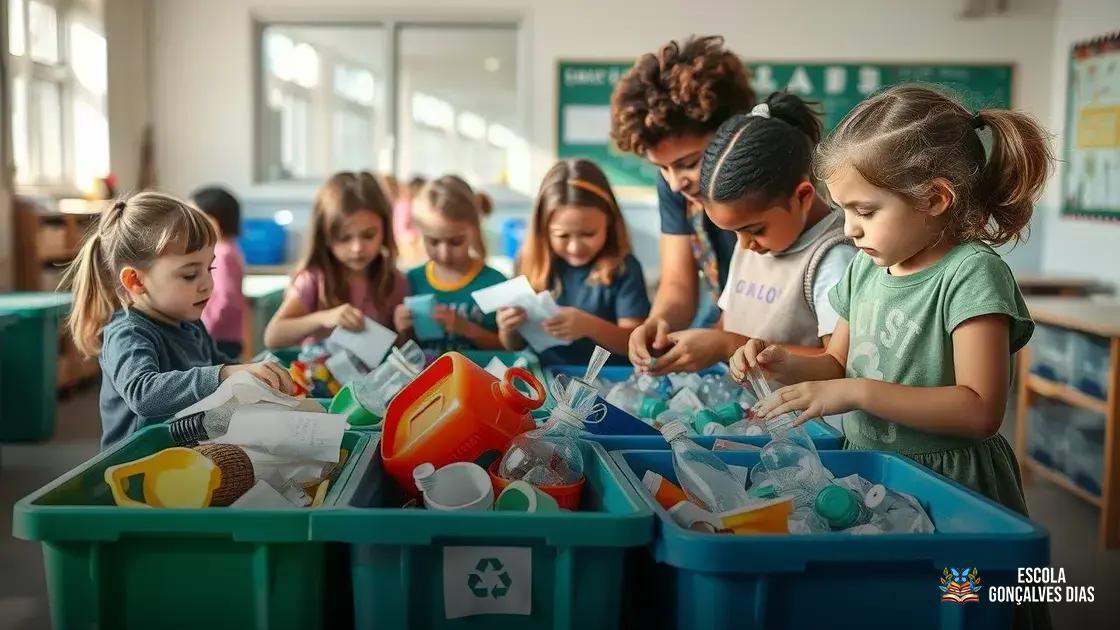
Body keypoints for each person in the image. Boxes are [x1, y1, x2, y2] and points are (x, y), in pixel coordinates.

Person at [734, 85, 1054, 519]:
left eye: (865, 212)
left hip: (952, 486)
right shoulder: (865, 269)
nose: (849, 230)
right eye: (844, 211)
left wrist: (858, 393)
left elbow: (980, 410)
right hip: (873, 475)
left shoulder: (972, 274)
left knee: (955, 589)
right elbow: (836, 364)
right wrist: (783, 363)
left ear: (935, 199)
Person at [61, 193, 294, 449]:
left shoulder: (191, 324)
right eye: (190, 274)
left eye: (210, 269)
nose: (207, 284)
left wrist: (255, 374)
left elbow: (219, 365)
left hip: (189, 453)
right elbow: (143, 394)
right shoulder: (127, 333)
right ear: (136, 281)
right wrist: (226, 373)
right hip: (139, 468)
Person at [610, 35, 756, 375]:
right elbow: (678, 286)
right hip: (725, 323)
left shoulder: (770, 186)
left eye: (689, 163)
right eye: (663, 168)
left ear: (732, 132)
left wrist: (719, 338)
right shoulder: (674, 186)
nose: (676, 183)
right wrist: (657, 322)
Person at [679, 92, 855, 368]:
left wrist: (728, 346)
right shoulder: (751, 241)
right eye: (735, 232)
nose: (745, 245)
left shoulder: (833, 259)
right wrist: (681, 345)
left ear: (802, 196)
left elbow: (837, 364)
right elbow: (727, 326)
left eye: (755, 229)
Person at [497, 159, 651, 364]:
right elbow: (513, 345)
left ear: (610, 223)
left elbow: (636, 343)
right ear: (543, 231)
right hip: (544, 379)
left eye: (588, 234)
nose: (575, 247)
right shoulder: (528, 264)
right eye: (562, 236)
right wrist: (507, 328)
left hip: (609, 382)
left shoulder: (623, 268)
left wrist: (589, 326)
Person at [264, 171, 408, 348]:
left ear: (385, 230)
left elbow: (401, 351)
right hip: (317, 374)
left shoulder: (394, 282)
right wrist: (324, 318)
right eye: (344, 238)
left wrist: (405, 331)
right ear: (325, 236)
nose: (357, 248)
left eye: (368, 235)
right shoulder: (314, 279)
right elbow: (273, 336)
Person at [394, 175, 506, 351]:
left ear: (475, 229)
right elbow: (404, 351)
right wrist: (403, 330)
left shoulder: (495, 283)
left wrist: (467, 329)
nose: (444, 254)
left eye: (456, 242)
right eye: (433, 241)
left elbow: (509, 348)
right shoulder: (411, 280)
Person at [192, 185, 246, 359]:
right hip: (226, 335)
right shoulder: (230, 248)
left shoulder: (222, 253)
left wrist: (203, 330)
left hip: (219, 337)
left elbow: (225, 299)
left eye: (195, 217)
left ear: (213, 221)